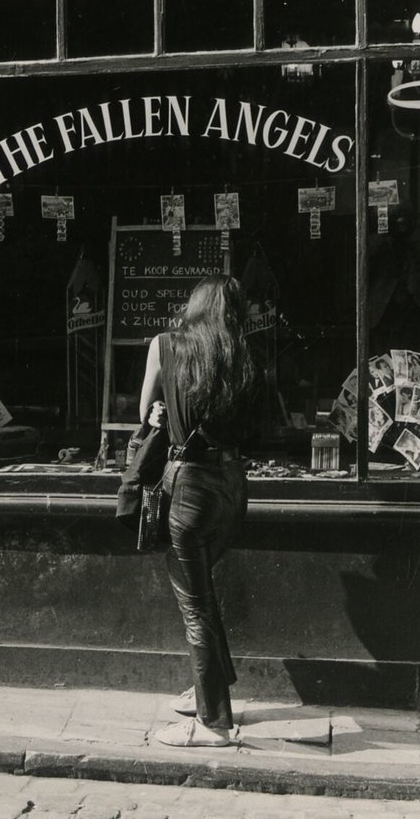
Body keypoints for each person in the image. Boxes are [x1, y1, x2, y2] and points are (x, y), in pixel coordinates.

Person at [138, 275, 255, 748]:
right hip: (232, 488)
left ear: (194, 305)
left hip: (187, 490)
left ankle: (214, 724)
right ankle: (209, 688)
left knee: (195, 606)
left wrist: (161, 412)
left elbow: (145, 409)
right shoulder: (241, 354)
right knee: (202, 593)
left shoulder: (165, 345)